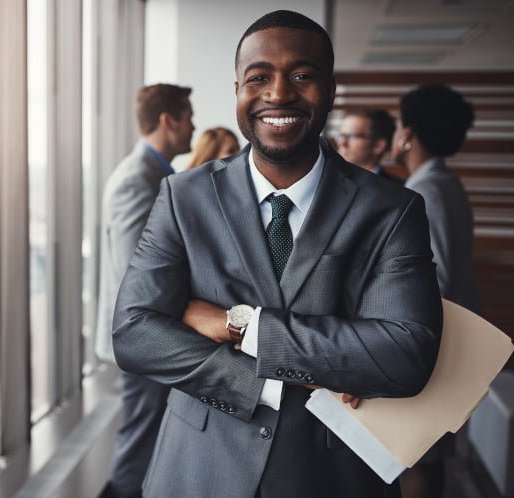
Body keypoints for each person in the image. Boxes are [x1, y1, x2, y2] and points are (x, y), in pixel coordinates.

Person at [112, 10, 441, 498]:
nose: (279, 92)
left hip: (332, 476)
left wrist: (241, 325)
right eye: (259, 77)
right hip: (198, 471)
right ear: (239, 91)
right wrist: (272, 383)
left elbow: (405, 353)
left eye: (301, 75)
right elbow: (135, 332)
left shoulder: (392, 209)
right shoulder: (184, 197)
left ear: (329, 89)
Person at [95, 83, 195, 498]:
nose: (194, 126)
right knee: (141, 443)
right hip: (145, 341)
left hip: (159, 338)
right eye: (189, 116)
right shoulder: (137, 179)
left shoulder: (160, 174)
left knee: (154, 439)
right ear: (168, 120)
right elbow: (136, 278)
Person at [390, 84, 478, 498]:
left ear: (407, 134)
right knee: (426, 455)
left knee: (415, 459)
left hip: (431, 348)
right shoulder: (443, 184)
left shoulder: (427, 191)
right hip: (443, 342)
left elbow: (434, 280)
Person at [336, 109, 403, 183]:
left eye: (352, 136)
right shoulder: (329, 182)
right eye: (341, 135)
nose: (342, 142)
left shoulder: (397, 190)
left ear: (378, 146)